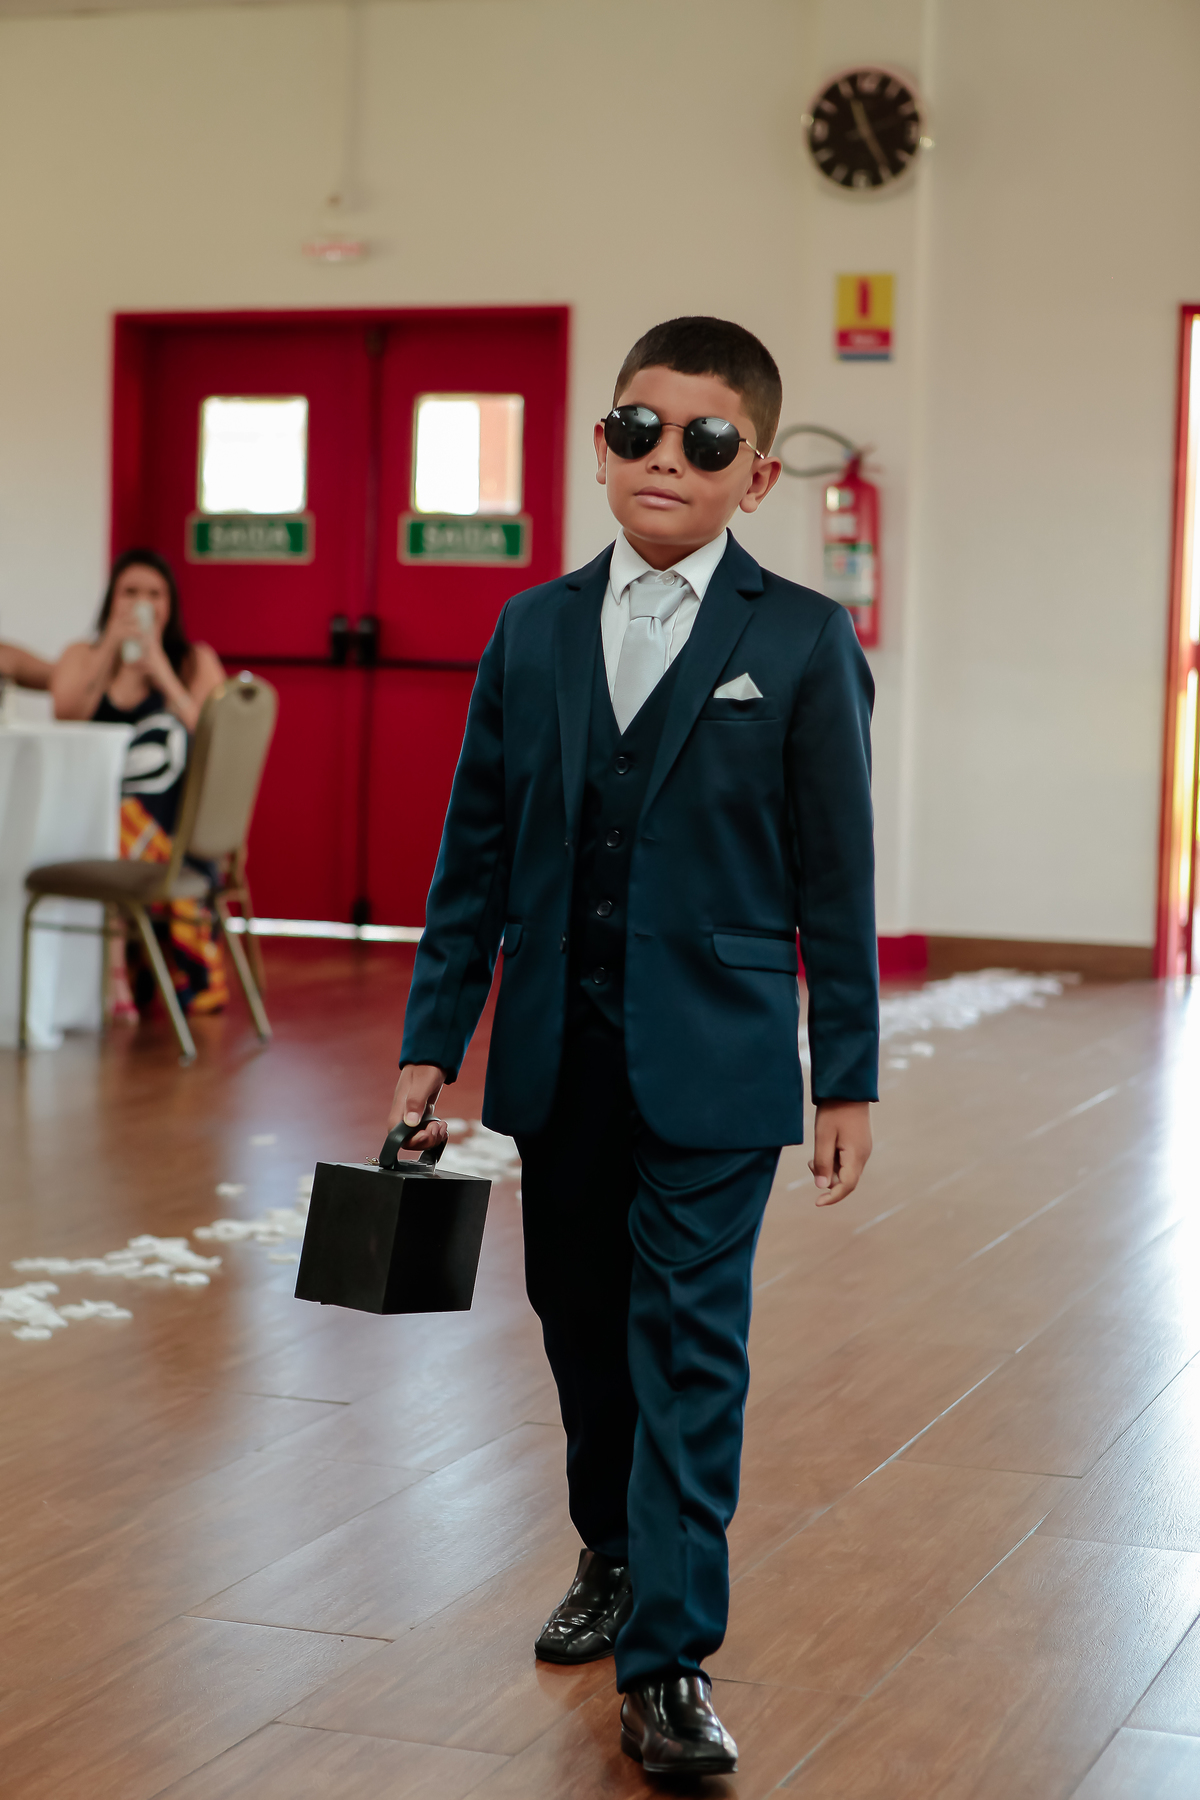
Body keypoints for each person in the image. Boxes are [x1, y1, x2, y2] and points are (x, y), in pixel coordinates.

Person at [389, 318, 879, 1777]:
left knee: (686, 1349)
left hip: (721, 1060)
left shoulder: (800, 640)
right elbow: (473, 855)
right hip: (559, 1052)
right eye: (638, 428)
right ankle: (610, 1546)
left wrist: (846, 1073)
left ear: (758, 476)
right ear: (600, 446)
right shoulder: (531, 629)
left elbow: (839, 878)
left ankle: (670, 1661)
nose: (667, 457)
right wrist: (432, 1040)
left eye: (706, 440)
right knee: (579, 1323)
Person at [53, 548, 228, 1018]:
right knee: (112, 821)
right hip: (92, 817)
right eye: (129, 592)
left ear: (170, 605)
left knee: (127, 819)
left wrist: (163, 675)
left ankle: (118, 969)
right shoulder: (82, 656)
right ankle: (114, 967)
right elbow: (66, 716)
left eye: (154, 594)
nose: (141, 603)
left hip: (172, 829)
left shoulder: (194, 662)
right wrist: (110, 649)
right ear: (111, 599)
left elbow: (216, 740)